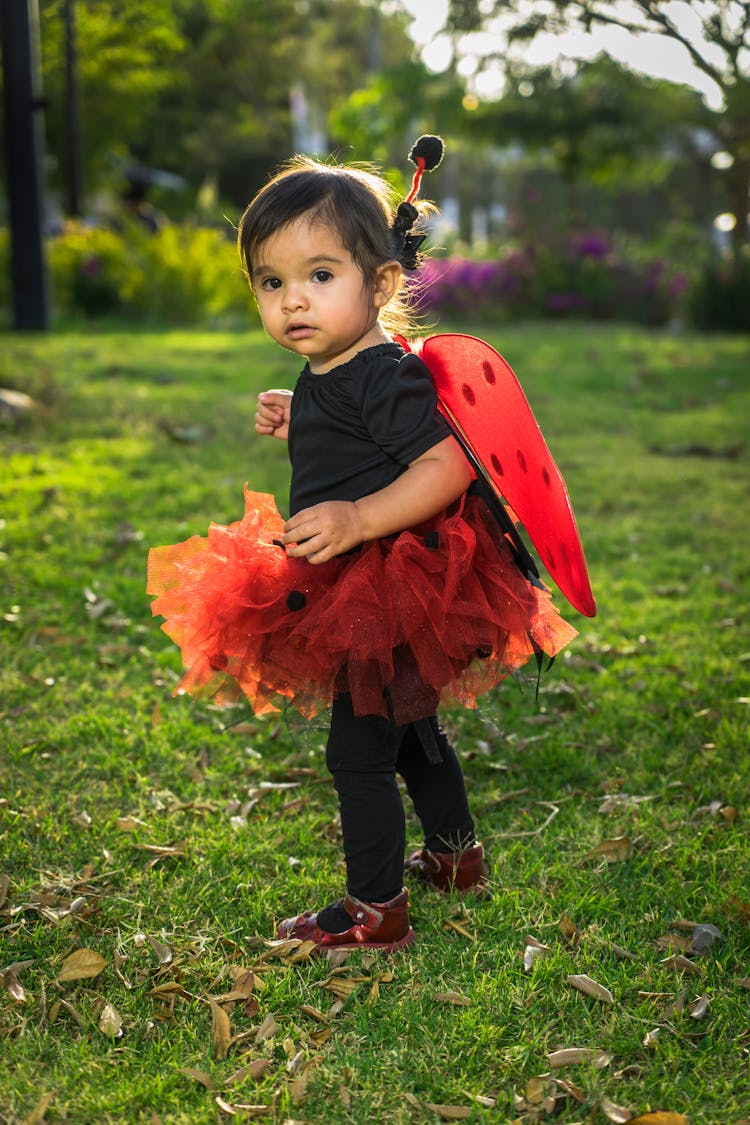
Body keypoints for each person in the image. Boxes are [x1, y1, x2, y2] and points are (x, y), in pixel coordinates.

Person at [147, 138, 578, 952]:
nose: (292, 302)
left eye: (319, 276)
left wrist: (357, 519)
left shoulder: (383, 374)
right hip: (372, 583)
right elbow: (354, 439)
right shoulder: (340, 367)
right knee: (412, 729)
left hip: (392, 582)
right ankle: (456, 857)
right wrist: (300, 411)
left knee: (358, 749)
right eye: (271, 283)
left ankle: (375, 909)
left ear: (380, 284)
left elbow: (448, 464)